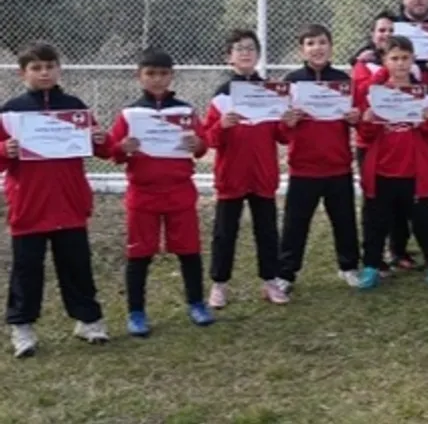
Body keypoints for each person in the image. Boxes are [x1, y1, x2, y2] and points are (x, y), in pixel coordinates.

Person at [1, 42, 110, 356]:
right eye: (36, 68)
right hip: (29, 205)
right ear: (23, 73)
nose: (44, 73)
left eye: (50, 66)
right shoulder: (10, 112)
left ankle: (88, 320)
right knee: (27, 269)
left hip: (69, 203)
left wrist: (100, 139)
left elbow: (103, 149)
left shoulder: (74, 107)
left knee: (76, 265)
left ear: (59, 69)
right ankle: (22, 327)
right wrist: (4, 150)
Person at [108, 48, 215, 337]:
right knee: (139, 254)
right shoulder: (130, 114)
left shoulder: (184, 111)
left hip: (180, 192)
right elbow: (113, 151)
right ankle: (136, 311)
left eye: (163, 73)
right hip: (143, 195)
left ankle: (196, 303)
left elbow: (202, 144)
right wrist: (122, 148)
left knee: (189, 250)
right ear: (139, 76)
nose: (157, 79)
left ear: (172, 76)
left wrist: (197, 144)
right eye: (151, 74)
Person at [354, 35, 428, 290]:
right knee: (376, 222)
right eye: (394, 58)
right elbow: (365, 135)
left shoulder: (425, 95)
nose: (400, 63)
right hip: (382, 169)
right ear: (385, 61)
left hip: (416, 170)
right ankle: (371, 266)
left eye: (405, 58)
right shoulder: (375, 94)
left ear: (412, 60)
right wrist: (367, 120)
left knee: (425, 221)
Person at [203, 30, 289, 308]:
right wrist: (221, 126)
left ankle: (270, 281)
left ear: (258, 54)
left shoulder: (271, 91)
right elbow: (208, 138)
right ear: (228, 57)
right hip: (232, 175)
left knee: (267, 231)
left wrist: (288, 122)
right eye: (239, 49)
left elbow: (282, 136)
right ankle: (219, 284)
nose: (245, 53)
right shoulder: (222, 95)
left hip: (263, 174)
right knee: (225, 232)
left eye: (250, 48)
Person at [278, 25, 362, 292]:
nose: (317, 48)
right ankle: (286, 273)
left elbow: (357, 120)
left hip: (338, 165)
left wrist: (355, 118)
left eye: (322, 42)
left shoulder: (343, 81)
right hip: (304, 166)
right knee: (295, 224)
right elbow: (281, 133)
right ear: (302, 49)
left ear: (331, 46)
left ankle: (348, 266)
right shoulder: (291, 82)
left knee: (344, 220)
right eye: (311, 43)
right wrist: (288, 122)